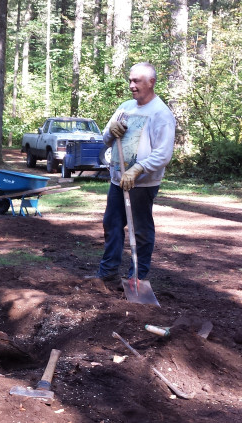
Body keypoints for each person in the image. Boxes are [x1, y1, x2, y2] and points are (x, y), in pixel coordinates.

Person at [92, 62, 175, 288]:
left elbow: (163, 153)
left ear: (151, 82)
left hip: (143, 183)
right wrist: (111, 131)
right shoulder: (125, 107)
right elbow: (105, 138)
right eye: (130, 80)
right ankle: (107, 274)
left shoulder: (161, 114)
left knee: (140, 231)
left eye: (136, 81)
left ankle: (137, 278)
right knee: (112, 224)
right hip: (118, 179)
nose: (131, 85)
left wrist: (138, 168)